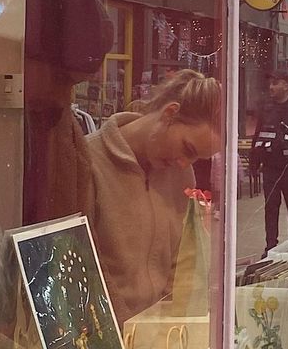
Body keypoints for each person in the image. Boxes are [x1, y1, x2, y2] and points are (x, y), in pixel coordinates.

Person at [32, 69, 223, 322]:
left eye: (196, 157)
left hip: (160, 339)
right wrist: (120, 335)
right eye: (187, 149)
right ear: (169, 114)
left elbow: (183, 258)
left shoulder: (182, 175)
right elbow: (80, 268)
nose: (183, 162)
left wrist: (172, 323)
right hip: (104, 336)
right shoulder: (87, 162)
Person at [251, 70, 288, 252]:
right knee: (271, 207)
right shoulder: (266, 109)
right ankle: (270, 246)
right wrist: (254, 162)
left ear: (286, 86)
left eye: (276, 84)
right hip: (270, 167)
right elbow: (258, 135)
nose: (271, 87)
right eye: (270, 84)